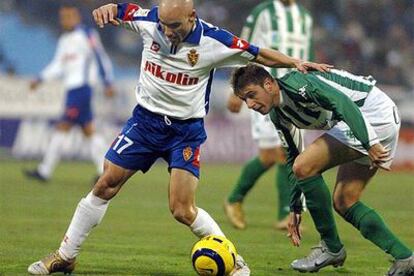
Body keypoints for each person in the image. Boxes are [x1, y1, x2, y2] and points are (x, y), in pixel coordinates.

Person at [27, 1, 331, 274]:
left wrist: (294, 62)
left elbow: (258, 53)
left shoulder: (215, 41)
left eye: (174, 26)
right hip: (145, 123)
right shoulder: (150, 22)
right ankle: (66, 256)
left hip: (184, 132)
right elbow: (123, 10)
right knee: (106, 183)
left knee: (182, 209)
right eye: (163, 25)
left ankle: (234, 261)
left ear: (192, 18)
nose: (167, 31)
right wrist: (109, 8)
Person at [230, 64, 414, 275]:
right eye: (245, 100)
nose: (250, 104)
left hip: (370, 114)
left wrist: (369, 142)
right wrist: (295, 207)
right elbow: (293, 158)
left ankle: (331, 247)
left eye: (252, 95)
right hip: (372, 119)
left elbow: (342, 102)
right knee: (345, 201)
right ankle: (405, 257)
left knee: (306, 166)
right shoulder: (278, 116)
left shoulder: (297, 84)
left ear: (269, 84)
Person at [224, 0, 314, 230]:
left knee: (278, 154)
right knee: (278, 154)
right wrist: (236, 90)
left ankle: (236, 199)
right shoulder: (262, 12)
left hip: (294, 93)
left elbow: (307, 54)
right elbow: (242, 47)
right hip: (263, 93)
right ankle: (281, 212)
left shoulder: (305, 17)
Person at [24, 4, 114, 183]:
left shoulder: (87, 35)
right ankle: (105, 170)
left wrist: (108, 82)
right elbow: (58, 65)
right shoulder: (64, 40)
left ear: (77, 17)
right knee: (89, 130)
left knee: (63, 126)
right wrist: (40, 78)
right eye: (62, 17)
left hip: (82, 88)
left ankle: (44, 171)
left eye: (68, 16)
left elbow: (100, 57)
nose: (65, 20)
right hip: (72, 89)